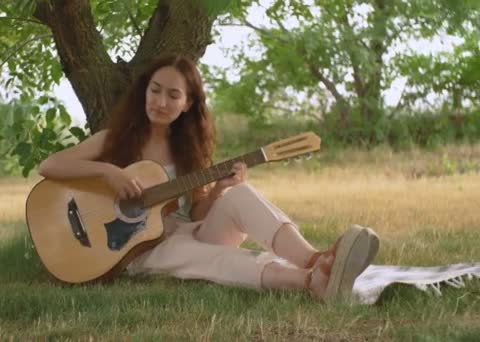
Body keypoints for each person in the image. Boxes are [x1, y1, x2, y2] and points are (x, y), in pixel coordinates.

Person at [38, 54, 379, 302]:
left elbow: (198, 214)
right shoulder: (112, 140)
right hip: (141, 249)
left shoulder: (190, 152)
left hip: (185, 231)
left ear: (187, 104)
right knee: (215, 259)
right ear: (144, 90)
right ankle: (310, 282)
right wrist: (108, 172)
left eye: (173, 95)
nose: (160, 101)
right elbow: (50, 166)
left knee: (240, 195)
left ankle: (316, 260)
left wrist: (219, 190)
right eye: (155, 90)